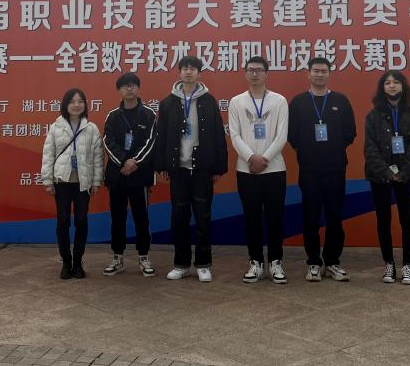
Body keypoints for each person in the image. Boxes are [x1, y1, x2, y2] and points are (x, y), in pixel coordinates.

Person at [154, 55, 228, 282]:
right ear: (179, 72)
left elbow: (218, 134)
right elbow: (161, 136)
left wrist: (218, 167)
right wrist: (162, 165)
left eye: (193, 69)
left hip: (202, 169)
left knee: (203, 217)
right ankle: (181, 264)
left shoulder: (209, 101)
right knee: (179, 218)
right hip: (178, 169)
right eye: (185, 68)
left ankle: (203, 264)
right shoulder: (168, 103)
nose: (188, 72)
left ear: (199, 73)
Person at [287, 57, 356, 282]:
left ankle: (333, 262)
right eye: (315, 70)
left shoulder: (340, 100)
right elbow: (292, 135)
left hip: (335, 169)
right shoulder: (298, 102)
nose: (319, 74)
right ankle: (314, 263)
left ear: (329, 74)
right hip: (309, 169)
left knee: (335, 218)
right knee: (311, 218)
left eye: (323, 71)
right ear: (308, 74)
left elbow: (349, 133)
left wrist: (332, 148)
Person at [228, 56, 290, 284]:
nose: (255, 73)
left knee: (275, 218)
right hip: (246, 171)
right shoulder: (236, 102)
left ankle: (275, 262)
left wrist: (264, 158)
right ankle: (255, 262)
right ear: (245, 73)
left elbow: (282, 135)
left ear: (266, 73)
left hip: (274, 169)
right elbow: (234, 135)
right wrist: (251, 157)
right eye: (251, 70)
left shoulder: (279, 101)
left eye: (259, 70)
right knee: (251, 218)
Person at [364, 70, 410, 285]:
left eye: (396, 82)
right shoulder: (373, 115)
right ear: (382, 88)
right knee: (383, 221)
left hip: (406, 176)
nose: (392, 86)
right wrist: (388, 173)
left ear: (403, 86)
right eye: (387, 83)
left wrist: (403, 173)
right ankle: (389, 264)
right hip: (379, 177)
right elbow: (370, 149)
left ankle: (407, 265)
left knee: (407, 220)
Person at [41, 88, 104, 279]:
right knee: (63, 221)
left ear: (85, 104)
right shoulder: (56, 127)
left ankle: (78, 262)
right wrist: (48, 180)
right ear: (65, 104)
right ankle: (66, 262)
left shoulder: (91, 128)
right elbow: (48, 154)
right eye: (72, 101)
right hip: (62, 181)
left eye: (80, 101)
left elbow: (98, 157)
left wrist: (96, 181)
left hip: (83, 183)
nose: (76, 105)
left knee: (81, 222)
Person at [102, 72, 158, 277]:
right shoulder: (113, 116)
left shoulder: (149, 115)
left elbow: (151, 142)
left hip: (140, 175)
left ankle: (144, 257)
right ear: (119, 90)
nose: (129, 88)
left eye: (133, 85)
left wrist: (135, 162)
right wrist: (123, 162)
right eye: (125, 86)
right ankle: (117, 257)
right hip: (117, 175)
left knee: (141, 218)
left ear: (138, 88)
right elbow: (107, 142)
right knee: (117, 218)